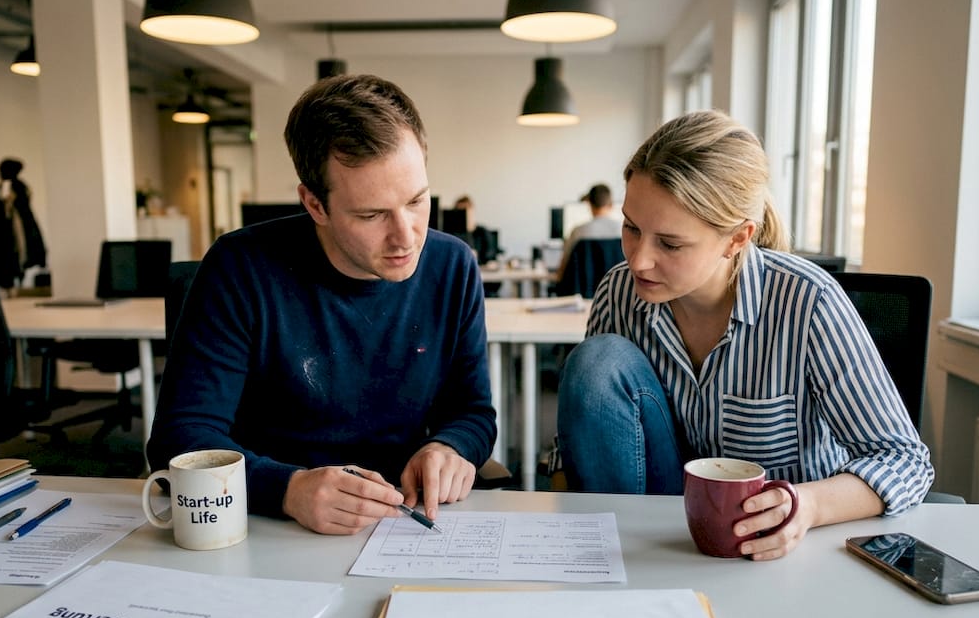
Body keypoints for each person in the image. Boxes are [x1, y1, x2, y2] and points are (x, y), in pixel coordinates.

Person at [556, 110, 933, 561]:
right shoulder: (620, 291)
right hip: (652, 539)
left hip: (774, 545)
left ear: (737, 239)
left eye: (670, 244)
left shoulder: (807, 300)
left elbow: (904, 460)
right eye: (632, 228)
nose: (638, 260)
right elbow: (586, 439)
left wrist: (807, 505)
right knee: (596, 362)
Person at [148, 74, 497, 535]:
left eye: (417, 201)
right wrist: (288, 489)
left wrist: (449, 448)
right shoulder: (240, 268)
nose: (407, 235)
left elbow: (472, 411)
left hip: (403, 519)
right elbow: (181, 437)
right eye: (371, 215)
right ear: (314, 204)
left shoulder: (453, 265)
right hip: (270, 524)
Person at [0, 157, 46, 291]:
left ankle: (14, 281)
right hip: (2, 230)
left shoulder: (17, 187)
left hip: (14, 229)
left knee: (18, 253)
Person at [555, 183, 622, 282]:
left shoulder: (577, 232)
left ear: (589, 204)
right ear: (611, 204)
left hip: (583, 294)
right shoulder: (622, 230)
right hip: (614, 291)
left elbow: (563, 270)